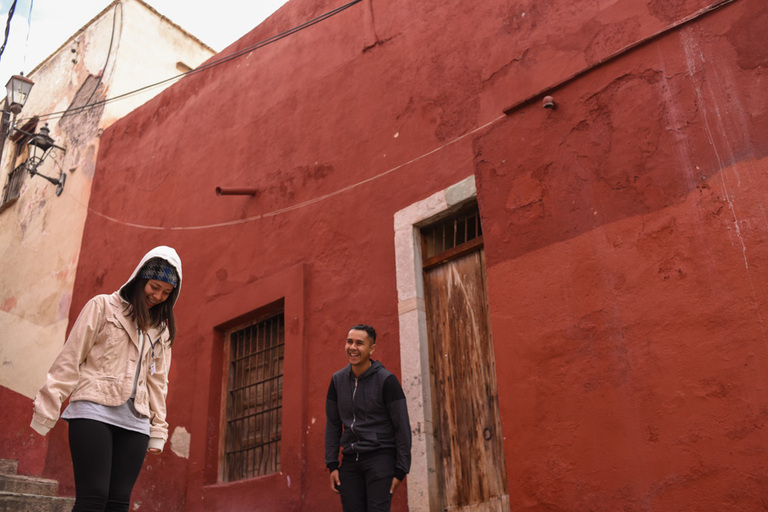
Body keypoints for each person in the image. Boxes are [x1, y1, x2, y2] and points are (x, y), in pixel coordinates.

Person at [30, 246, 182, 512]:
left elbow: (158, 384)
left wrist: (158, 429)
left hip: (136, 422)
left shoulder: (161, 332)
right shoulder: (102, 307)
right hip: (92, 411)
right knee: (93, 497)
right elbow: (70, 357)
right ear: (140, 279)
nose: (158, 296)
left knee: (119, 502)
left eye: (166, 293)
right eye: (154, 287)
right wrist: (47, 408)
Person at [325, 324, 411, 512]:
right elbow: (332, 423)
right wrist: (332, 464)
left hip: (380, 458)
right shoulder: (337, 381)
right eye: (349, 342)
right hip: (349, 461)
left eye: (359, 343)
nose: (352, 347)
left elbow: (401, 426)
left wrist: (401, 469)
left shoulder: (387, 381)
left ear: (371, 349)